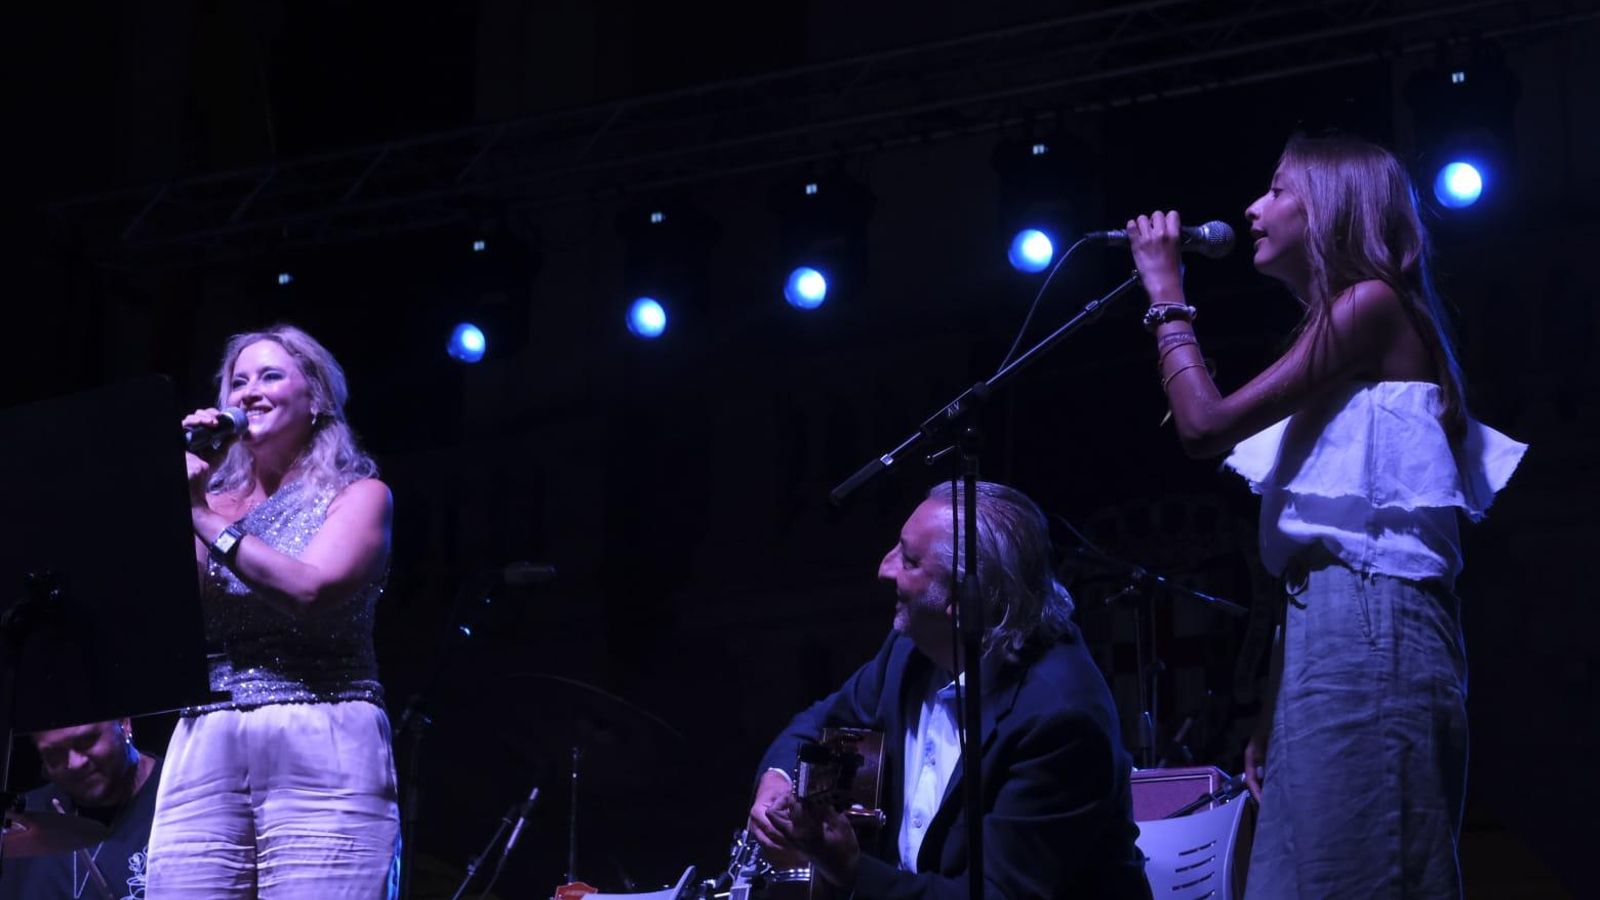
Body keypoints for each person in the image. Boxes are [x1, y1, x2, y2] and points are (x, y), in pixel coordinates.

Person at [1125, 134, 1527, 898]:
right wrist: (1275, 706)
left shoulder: (1373, 305)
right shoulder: (1340, 335)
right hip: (1329, 639)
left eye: (1279, 190)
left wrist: (1165, 295)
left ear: (1336, 207)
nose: (1253, 207)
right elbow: (1320, 552)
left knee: (1361, 875)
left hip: (1373, 633)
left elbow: (1204, 426)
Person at [746, 481, 1150, 899]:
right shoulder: (909, 649)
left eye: (910, 559)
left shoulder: (1059, 717)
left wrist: (850, 870)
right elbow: (819, 721)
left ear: (961, 599)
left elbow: (999, 896)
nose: (884, 569)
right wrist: (778, 778)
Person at [145, 324, 400, 899]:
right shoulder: (205, 499)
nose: (248, 392)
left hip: (322, 730)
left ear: (315, 399)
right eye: (237, 381)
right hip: (205, 734)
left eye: (270, 376)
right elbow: (166, 606)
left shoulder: (358, 495)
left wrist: (203, 517)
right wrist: (176, 487)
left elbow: (309, 591)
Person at [0, 719, 162, 900]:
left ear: (124, 724)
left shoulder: (185, 799)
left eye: (87, 740)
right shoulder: (17, 821)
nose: (75, 763)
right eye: (54, 753)